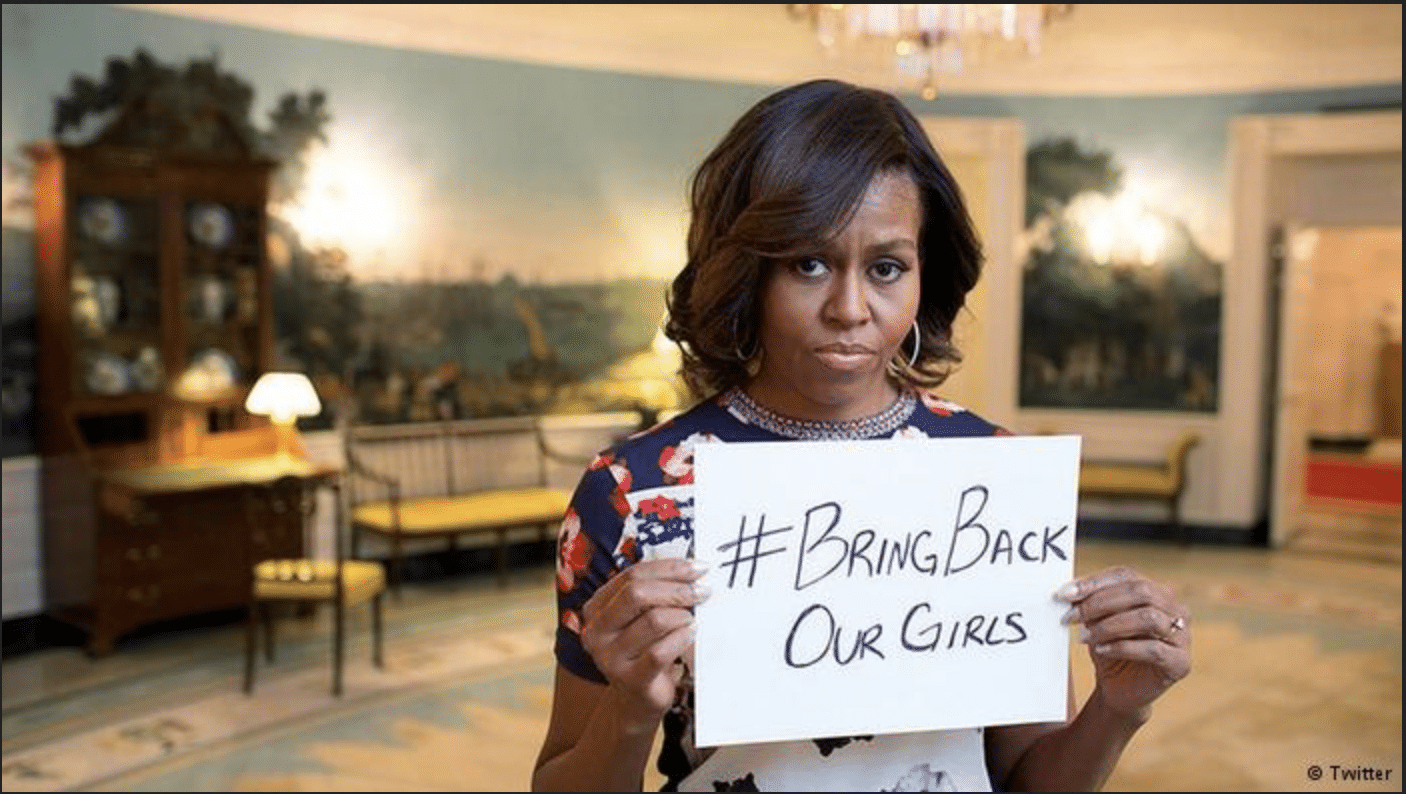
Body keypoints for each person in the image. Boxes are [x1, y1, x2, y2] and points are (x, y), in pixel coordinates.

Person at [532, 78, 1192, 792]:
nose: (850, 309)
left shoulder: (990, 477)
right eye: (808, 263)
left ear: (922, 274)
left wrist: (1119, 708)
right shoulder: (633, 491)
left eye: (886, 268)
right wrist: (629, 711)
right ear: (746, 269)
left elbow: (1029, 780)